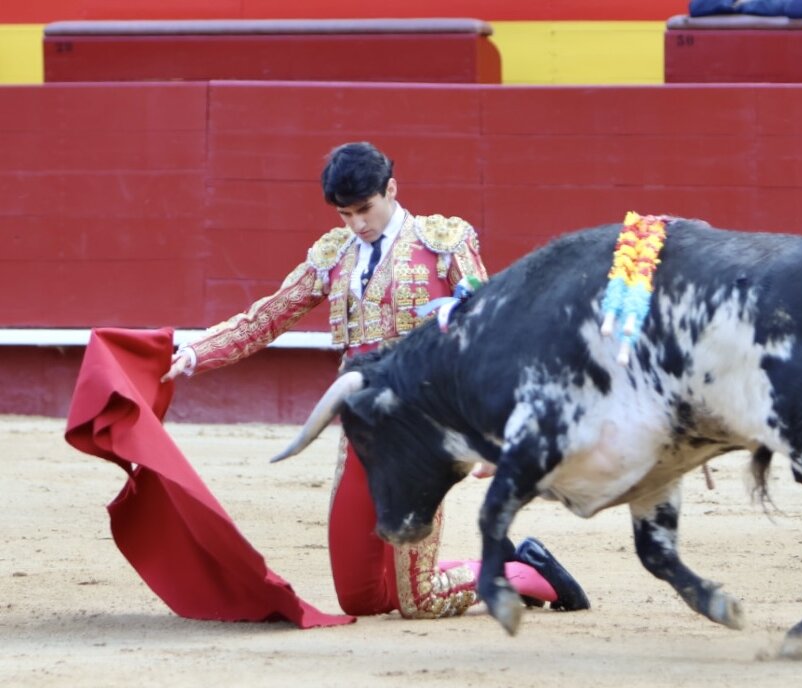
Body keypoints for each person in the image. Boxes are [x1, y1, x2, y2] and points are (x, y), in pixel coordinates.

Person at [162, 142, 589, 619]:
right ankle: (501, 563)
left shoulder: (442, 244)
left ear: (391, 189)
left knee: (420, 603)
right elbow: (268, 317)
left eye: (365, 209)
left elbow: (491, 336)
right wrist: (195, 353)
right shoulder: (334, 255)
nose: (357, 224)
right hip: (362, 434)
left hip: (423, 436)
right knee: (361, 599)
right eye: (346, 214)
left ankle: (523, 573)